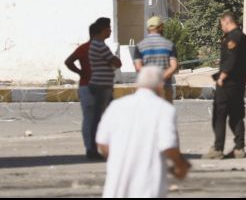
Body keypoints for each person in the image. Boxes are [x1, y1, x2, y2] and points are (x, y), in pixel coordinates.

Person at [96, 66, 190, 198]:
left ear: (138, 84)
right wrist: (180, 165)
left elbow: (102, 143)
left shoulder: (116, 106)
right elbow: (168, 145)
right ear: (160, 86)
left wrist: (119, 159)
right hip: (147, 187)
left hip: (115, 186)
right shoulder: (164, 109)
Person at [204, 12, 246, 160]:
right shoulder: (244, 38)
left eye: (221, 23)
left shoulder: (233, 37)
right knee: (236, 116)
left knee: (220, 115)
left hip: (228, 83)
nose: (221, 27)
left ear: (227, 21)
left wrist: (222, 76)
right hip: (239, 84)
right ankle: (239, 148)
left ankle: (218, 149)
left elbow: (231, 59)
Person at [88, 17, 121, 159]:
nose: (110, 30)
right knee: (101, 119)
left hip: (102, 85)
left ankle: (98, 148)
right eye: (108, 28)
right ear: (102, 30)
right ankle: (94, 149)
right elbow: (117, 62)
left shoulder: (97, 44)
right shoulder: (100, 45)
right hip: (101, 86)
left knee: (102, 118)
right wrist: (112, 62)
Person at [64, 23, 98, 159]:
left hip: (85, 86)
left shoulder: (83, 48)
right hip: (96, 87)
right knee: (95, 118)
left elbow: (68, 62)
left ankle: (90, 148)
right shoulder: (99, 48)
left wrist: (80, 72)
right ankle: (93, 148)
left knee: (88, 119)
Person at [134, 16, 178, 103]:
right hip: (164, 88)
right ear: (161, 27)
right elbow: (174, 67)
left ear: (148, 29)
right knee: (165, 115)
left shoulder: (139, 46)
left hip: (147, 89)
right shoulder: (169, 45)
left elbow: (138, 67)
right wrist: (160, 78)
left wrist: (151, 80)